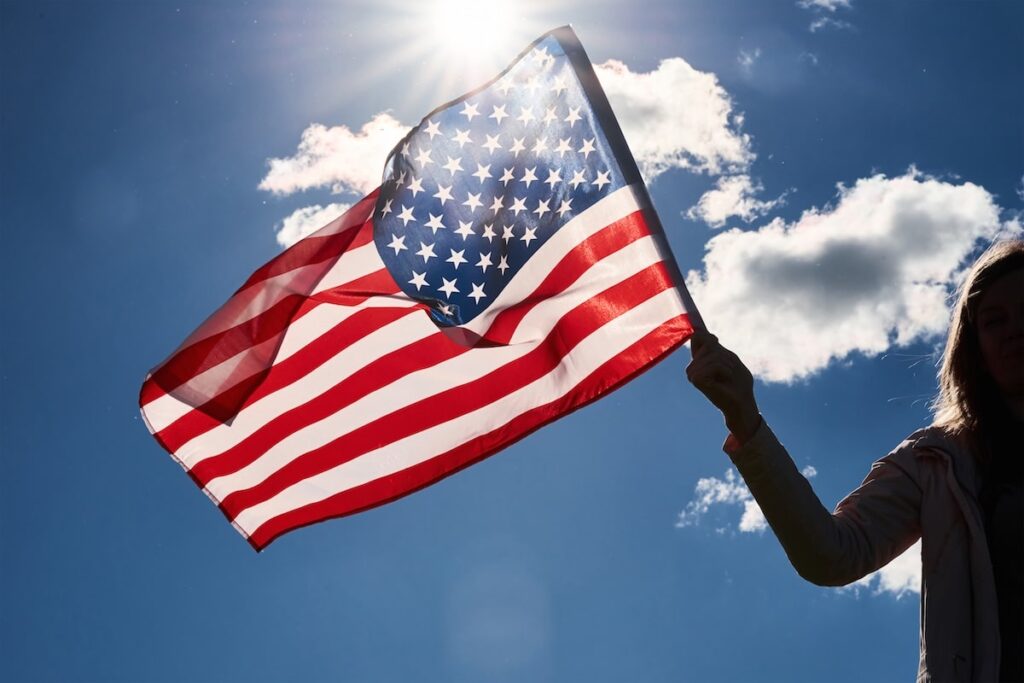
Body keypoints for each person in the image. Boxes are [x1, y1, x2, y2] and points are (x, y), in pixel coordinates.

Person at [686, 239, 1023, 683]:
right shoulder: (937, 461)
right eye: (994, 321)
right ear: (974, 347)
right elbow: (831, 555)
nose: (1015, 330)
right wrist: (746, 422)